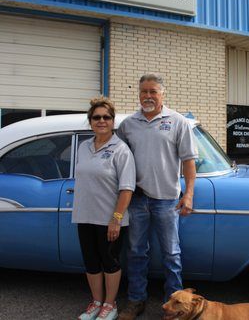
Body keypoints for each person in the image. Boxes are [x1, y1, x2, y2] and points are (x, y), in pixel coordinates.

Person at [117, 73, 197, 320]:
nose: (148, 96)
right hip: (137, 199)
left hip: (167, 200)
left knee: (171, 253)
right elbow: (117, 159)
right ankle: (136, 300)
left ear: (163, 94)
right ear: (139, 94)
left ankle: (176, 306)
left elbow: (188, 161)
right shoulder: (128, 124)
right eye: (144, 92)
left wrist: (189, 194)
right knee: (136, 252)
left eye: (153, 91)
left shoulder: (178, 122)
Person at [72, 97, 136, 320]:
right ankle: (96, 302)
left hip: (110, 219)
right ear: (90, 121)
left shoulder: (121, 150)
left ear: (112, 121)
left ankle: (110, 304)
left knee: (110, 262)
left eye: (106, 117)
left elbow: (127, 188)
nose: (101, 120)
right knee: (91, 262)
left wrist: (116, 218)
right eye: (96, 117)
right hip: (84, 215)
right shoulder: (83, 146)